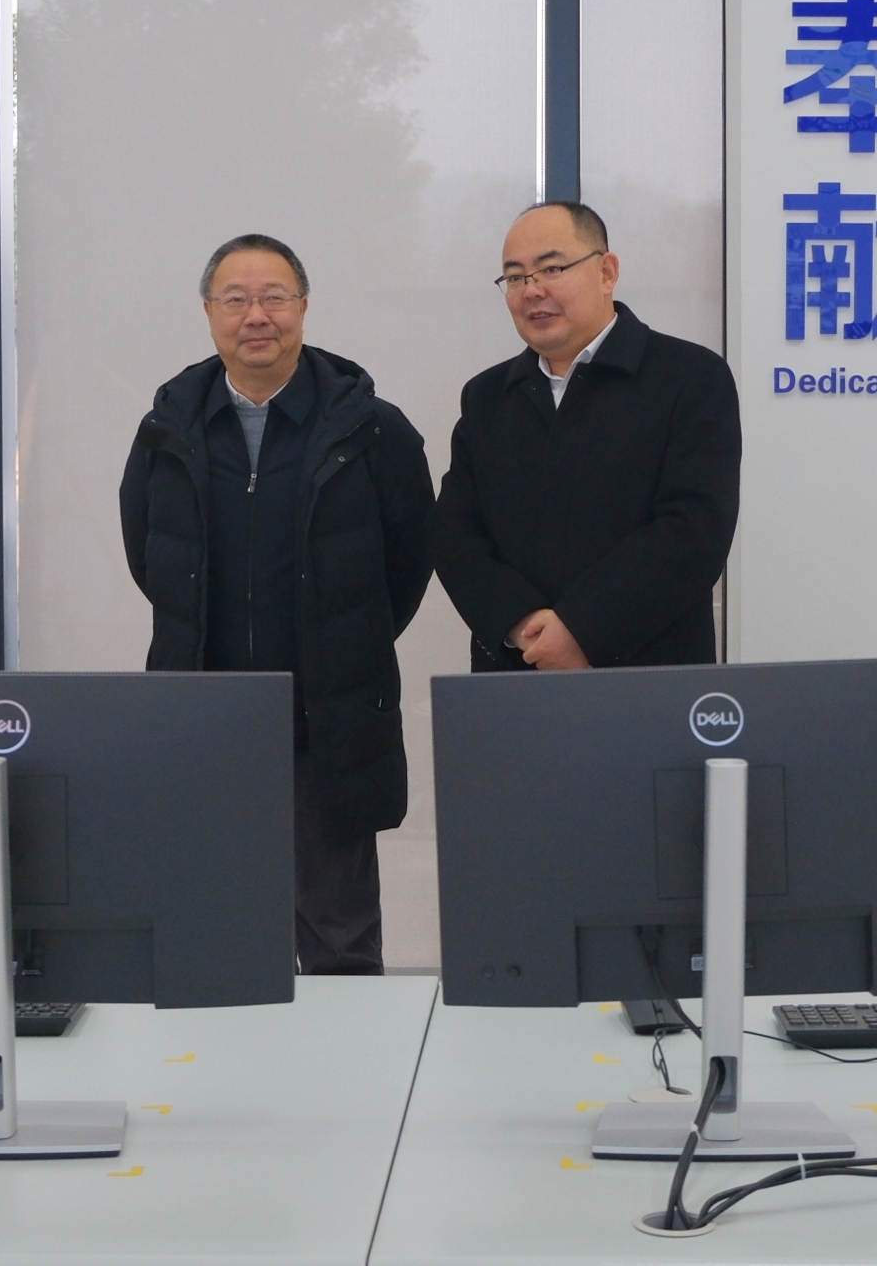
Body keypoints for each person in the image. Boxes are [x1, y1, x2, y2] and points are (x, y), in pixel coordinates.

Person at [119, 234, 434, 976]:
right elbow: (149, 555)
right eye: (236, 299)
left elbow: (410, 560)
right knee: (216, 943)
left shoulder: (372, 429)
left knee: (339, 943)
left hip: (329, 721)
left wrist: (346, 639)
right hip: (208, 717)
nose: (256, 315)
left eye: (274, 297)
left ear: (303, 307)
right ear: (209, 312)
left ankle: (343, 1058)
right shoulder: (167, 429)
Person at [430, 201, 741, 672]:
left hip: (649, 677)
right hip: (515, 672)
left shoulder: (689, 378)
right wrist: (523, 623)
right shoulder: (488, 397)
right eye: (515, 277)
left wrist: (582, 631)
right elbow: (455, 534)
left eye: (552, 268)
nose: (532, 290)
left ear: (606, 272)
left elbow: (694, 530)